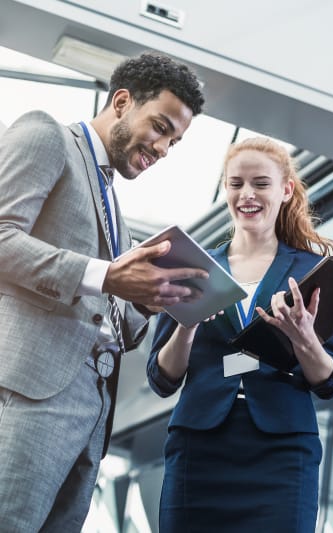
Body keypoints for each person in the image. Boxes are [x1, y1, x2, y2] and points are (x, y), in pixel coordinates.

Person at [0, 52, 207, 532]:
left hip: (92, 412)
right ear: (121, 102)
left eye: (173, 142)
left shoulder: (114, 202)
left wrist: (149, 298)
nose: (162, 149)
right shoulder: (47, 135)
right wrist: (105, 275)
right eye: (160, 127)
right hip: (28, 391)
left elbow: (112, 310)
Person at [147, 136, 333, 532]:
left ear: (286, 190)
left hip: (283, 453)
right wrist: (187, 325)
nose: (247, 194)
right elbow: (162, 378)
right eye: (236, 184)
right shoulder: (193, 266)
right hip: (199, 449)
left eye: (260, 183)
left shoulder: (313, 270)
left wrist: (305, 340)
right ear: (225, 189)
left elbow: (330, 380)